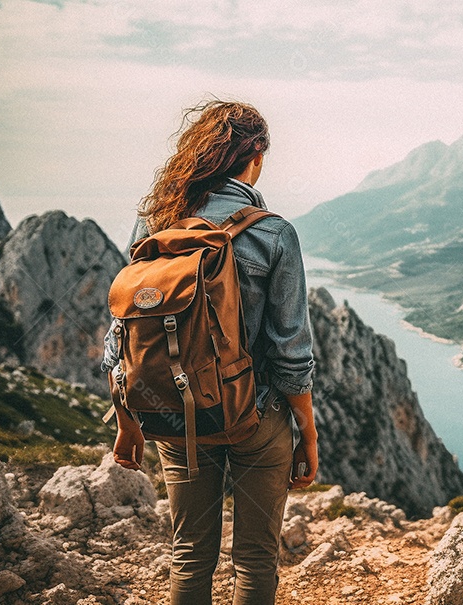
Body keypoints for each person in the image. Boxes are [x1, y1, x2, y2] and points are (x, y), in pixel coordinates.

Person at [100, 100, 318, 605]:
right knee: (256, 559)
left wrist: (127, 421)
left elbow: (123, 336)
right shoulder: (273, 232)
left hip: (175, 413)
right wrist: (306, 431)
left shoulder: (153, 222)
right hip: (254, 415)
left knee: (190, 553)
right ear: (256, 155)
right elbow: (290, 353)